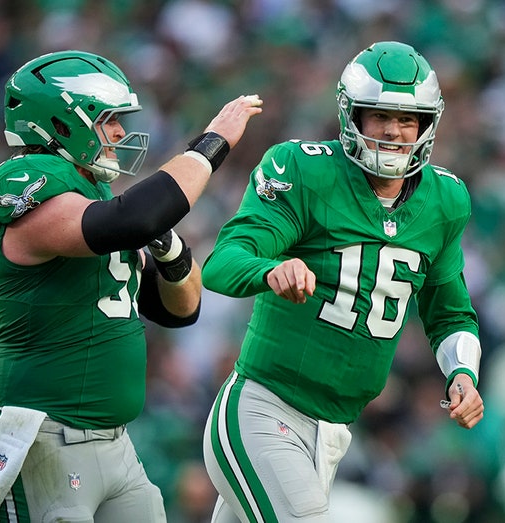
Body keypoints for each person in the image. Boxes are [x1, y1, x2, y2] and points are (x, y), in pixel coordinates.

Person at [0, 49, 262, 522]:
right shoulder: (23, 180)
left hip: (116, 444)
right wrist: (209, 147)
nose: (121, 133)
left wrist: (172, 252)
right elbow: (133, 218)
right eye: (108, 120)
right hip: (45, 435)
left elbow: (180, 310)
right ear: (63, 122)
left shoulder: (95, 195)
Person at [201, 41, 484, 522]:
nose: (394, 131)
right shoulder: (305, 169)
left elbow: (450, 311)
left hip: (332, 432)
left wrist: (463, 373)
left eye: (408, 119)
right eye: (379, 116)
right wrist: (270, 269)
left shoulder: (446, 200)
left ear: (428, 125)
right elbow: (223, 262)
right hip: (265, 408)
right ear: (351, 116)